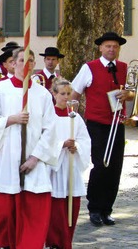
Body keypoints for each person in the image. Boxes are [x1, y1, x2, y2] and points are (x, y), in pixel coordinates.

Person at [0, 48, 59, 249]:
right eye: (21, 60)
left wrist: (35, 157)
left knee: (32, 212)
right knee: (1, 212)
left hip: (32, 159)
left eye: (30, 60)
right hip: (4, 158)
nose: (26, 64)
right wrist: (11, 119)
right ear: (13, 64)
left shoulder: (42, 95)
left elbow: (51, 130)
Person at [71, 31, 130, 227]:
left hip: (117, 123)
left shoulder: (123, 67)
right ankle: (95, 208)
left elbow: (130, 93)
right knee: (100, 166)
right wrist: (73, 120)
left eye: (115, 46)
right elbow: (75, 93)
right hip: (96, 124)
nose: (112, 49)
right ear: (101, 48)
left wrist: (127, 94)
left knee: (115, 168)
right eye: (108, 46)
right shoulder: (89, 68)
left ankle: (107, 209)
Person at [46, 78, 91, 249]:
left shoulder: (75, 118)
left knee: (71, 209)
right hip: (55, 168)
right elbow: (44, 141)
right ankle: (55, 242)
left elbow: (85, 141)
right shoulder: (49, 117)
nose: (66, 97)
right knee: (56, 211)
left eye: (68, 94)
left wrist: (77, 146)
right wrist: (61, 145)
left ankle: (66, 242)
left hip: (70, 166)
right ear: (54, 94)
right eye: (62, 94)